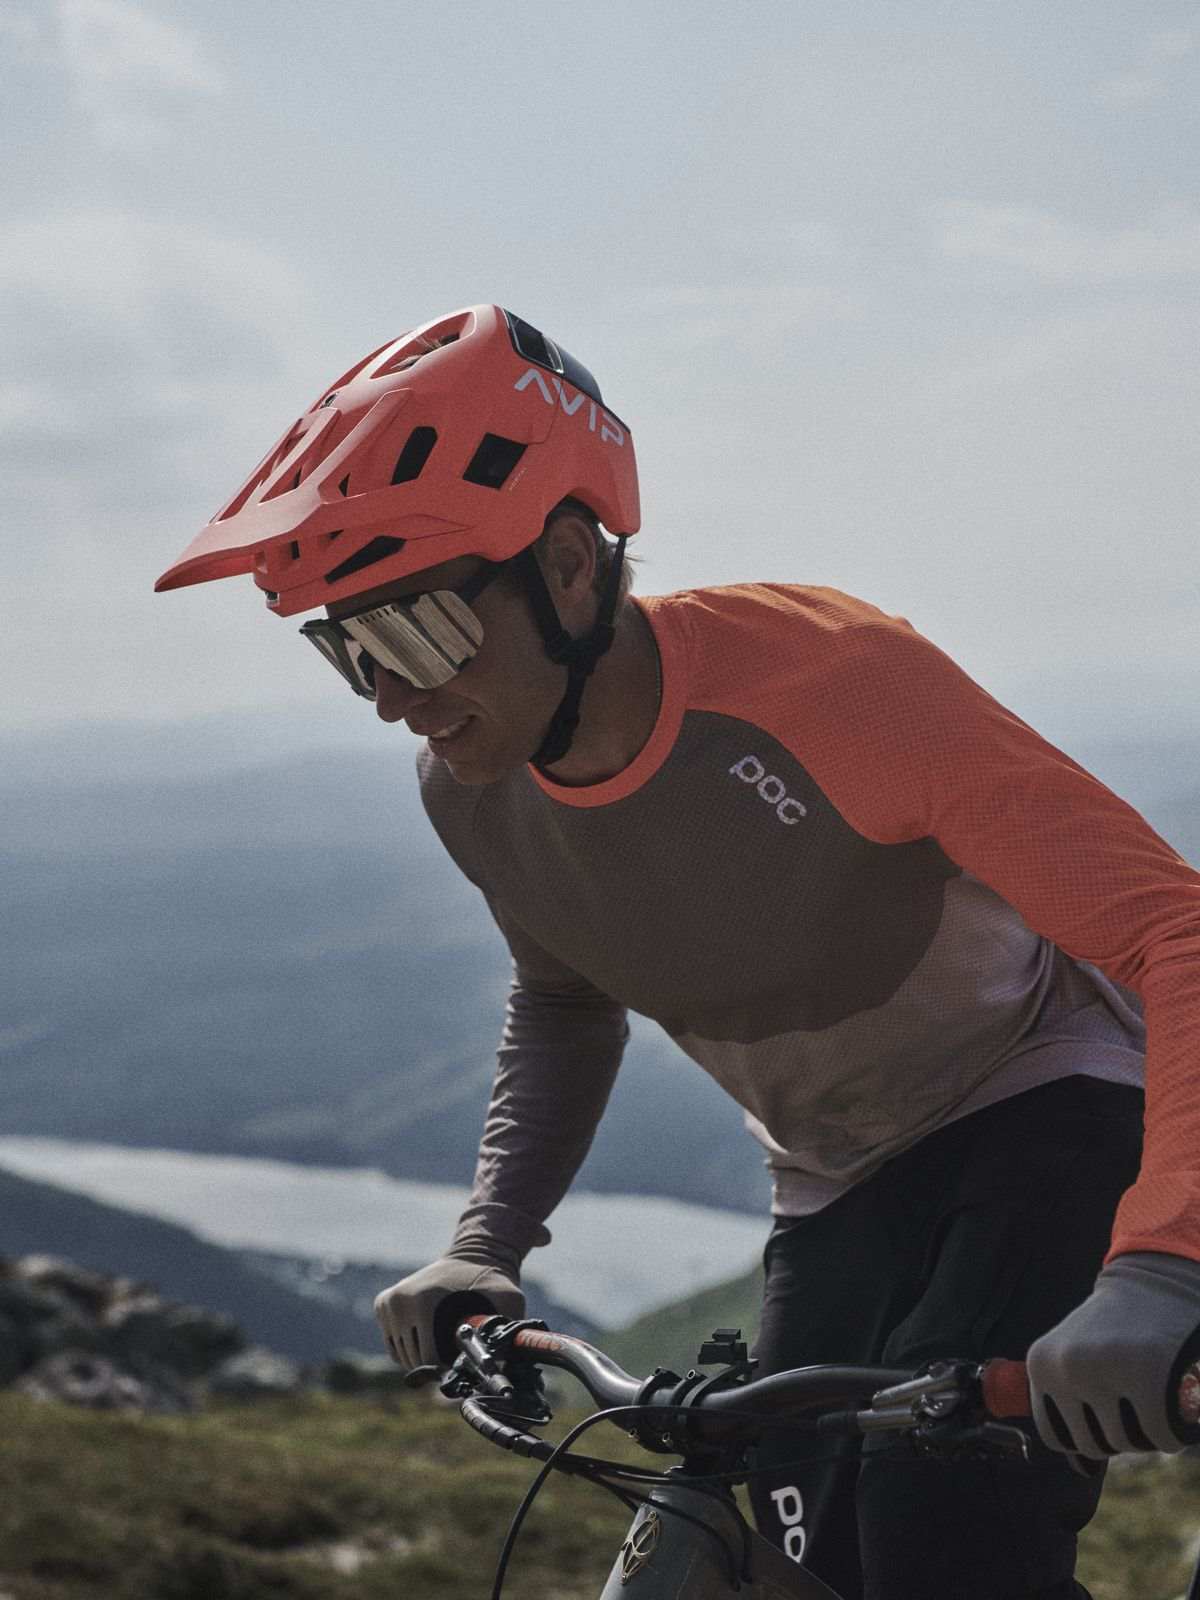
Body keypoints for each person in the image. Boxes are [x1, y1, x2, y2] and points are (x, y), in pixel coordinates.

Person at [156, 303, 1200, 1600]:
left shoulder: (839, 682)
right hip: (832, 1180)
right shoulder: (473, 790)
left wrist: (1165, 1259)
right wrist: (487, 1244)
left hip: (1048, 1097)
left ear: (568, 566)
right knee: (787, 1552)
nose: (390, 699)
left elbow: (1173, 927)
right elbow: (564, 999)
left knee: (934, 1525)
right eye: (348, 651)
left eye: (416, 634)